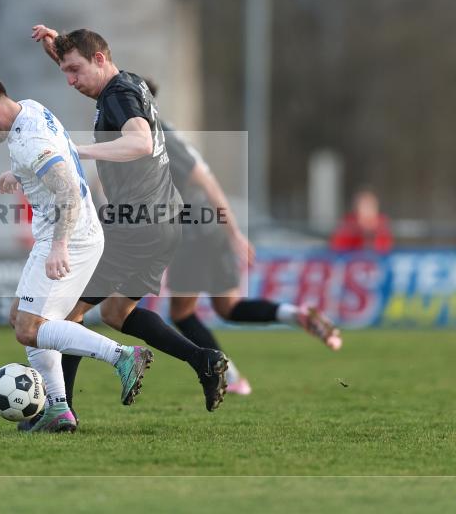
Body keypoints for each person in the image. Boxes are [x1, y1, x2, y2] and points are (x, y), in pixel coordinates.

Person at [28, 25, 231, 419]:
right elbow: (88, 61)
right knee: (115, 313)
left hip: (135, 224)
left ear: (100, 60)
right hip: (164, 222)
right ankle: (203, 359)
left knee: (66, 313)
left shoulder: (117, 95)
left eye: (75, 71)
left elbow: (139, 141)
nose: (70, 81)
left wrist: (77, 151)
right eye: (64, 72)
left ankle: (60, 410)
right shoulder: (129, 82)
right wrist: (61, 50)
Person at [0, 69, 153, 433]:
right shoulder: (29, 109)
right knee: (21, 317)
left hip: (69, 236)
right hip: (67, 234)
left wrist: (59, 246)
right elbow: (61, 154)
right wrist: (21, 176)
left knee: (29, 328)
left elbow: (70, 189)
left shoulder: (28, 140)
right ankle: (58, 410)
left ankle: (122, 356)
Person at [143, 79, 342, 398]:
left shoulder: (158, 136)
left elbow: (204, 179)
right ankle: (295, 314)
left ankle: (230, 375)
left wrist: (235, 232)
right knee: (228, 307)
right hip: (210, 227)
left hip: (195, 229)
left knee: (181, 313)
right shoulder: (160, 131)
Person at [330, 188, 393, 252]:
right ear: (357, 210)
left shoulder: (382, 227)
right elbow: (337, 250)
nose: (368, 212)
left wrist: (372, 235)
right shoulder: (347, 227)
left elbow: (385, 250)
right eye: (364, 207)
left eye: (371, 207)